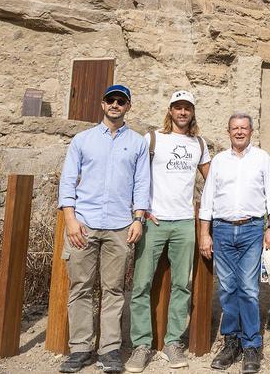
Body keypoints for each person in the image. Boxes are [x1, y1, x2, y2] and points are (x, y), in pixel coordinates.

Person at [57, 84, 151, 373]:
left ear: (128, 107)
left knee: (113, 289)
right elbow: (68, 180)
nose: (115, 105)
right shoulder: (82, 140)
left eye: (121, 101)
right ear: (102, 104)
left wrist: (138, 219)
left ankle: (109, 350)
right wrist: (71, 220)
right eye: (111, 100)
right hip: (83, 225)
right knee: (80, 287)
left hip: (119, 226)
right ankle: (81, 348)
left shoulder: (137, 143)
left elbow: (141, 184)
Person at [126, 90, 210, 372]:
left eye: (187, 108)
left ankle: (172, 342)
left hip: (185, 221)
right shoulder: (152, 139)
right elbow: (135, 175)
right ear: (170, 111)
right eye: (178, 107)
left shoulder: (199, 143)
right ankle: (141, 345)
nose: (183, 112)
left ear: (192, 112)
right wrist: (140, 210)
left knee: (182, 286)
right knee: (141, 285)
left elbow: (211, 180)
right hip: (154, 220)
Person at [198, 113, 270, 373]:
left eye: (244, 128)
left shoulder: (262, 158)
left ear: (251, 131)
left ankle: (251, 346)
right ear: (228, 131)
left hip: (251, 230)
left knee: (248, 289)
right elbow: (208, 198)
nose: (239, 132)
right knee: (227, 289)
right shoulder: (220, 161)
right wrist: (204, 233)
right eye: (235, 128)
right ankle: (231, 343)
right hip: (222, 230)